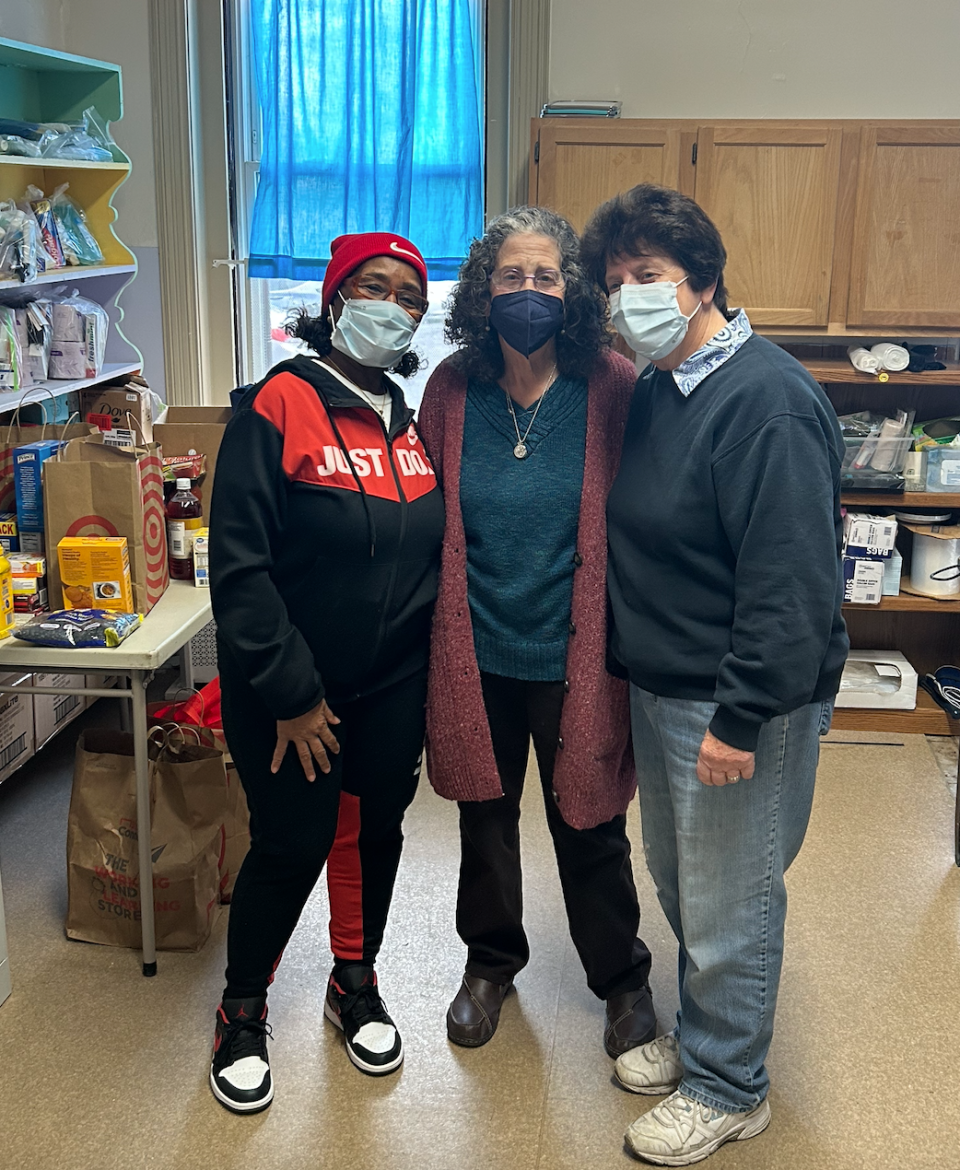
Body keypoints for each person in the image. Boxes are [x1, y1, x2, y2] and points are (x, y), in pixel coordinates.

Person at [579, 184, 848, 1166]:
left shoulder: (766, 401)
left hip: (739, 701)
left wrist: (739, 717)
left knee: (734, 898)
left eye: (646, 278)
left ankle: (733, 1087)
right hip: (667, 685)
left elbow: (792, 584)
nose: (628, 300)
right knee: (687, 881)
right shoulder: (663, 384)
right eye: (615, 284)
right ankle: (706, 1041)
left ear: (705, 281)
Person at [208, 232, 444, 1113]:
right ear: (336, 298)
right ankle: (241, 1010)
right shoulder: (279, 405)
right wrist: (294, 694)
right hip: (289, 693)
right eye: (374, 287)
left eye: (410, 296)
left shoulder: (403, 415)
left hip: (391, 686)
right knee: (294, 842)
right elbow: (239, 572)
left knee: (372, 831)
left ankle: (355, 979)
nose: (394, 306)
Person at [418, 206, 656, 1058]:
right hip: (474, 649)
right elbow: (424, 520)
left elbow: (647, 511)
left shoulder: (613, 385)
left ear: (573, 290)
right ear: (484, 288)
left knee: (588, 824)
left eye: (545, 276)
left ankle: (622, 980)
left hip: (576, 653)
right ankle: (489, 963)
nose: (527, 291)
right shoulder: (451, 390)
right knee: (483, 820)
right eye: (510, 275)